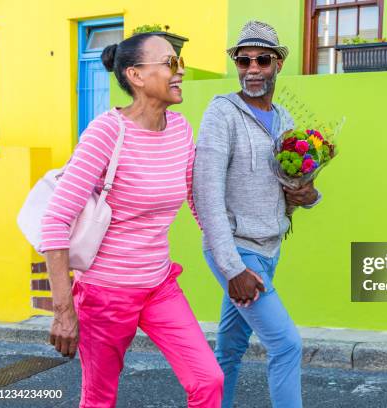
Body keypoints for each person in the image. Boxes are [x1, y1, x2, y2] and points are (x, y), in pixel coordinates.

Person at [41, 33, 223, 407]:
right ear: (136, 75)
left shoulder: (181, 130)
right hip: (105, 294)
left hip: (159, 285)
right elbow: (55, 221)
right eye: (170, 62)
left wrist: (232, 257)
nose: (181, 71)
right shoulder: (106, 133)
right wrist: (63, 310)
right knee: (100, 398)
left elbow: (197, 200)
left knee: (208, 379)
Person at [193, 21, 321, 408]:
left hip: (270, 249)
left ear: (278, 63)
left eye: (262, 59)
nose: (252, 69)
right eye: (243, 59)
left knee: (229, 352)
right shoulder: (222, 114)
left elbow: (298, 187)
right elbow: (206, 193)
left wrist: (310, 195)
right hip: (238, 252)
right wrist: (232, 268)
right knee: (286, 346)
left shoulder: (285, 120)